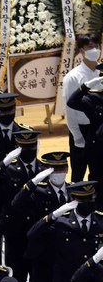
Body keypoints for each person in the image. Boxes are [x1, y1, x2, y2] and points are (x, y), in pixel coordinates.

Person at [62, 34, 102, 180]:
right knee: (79, 170)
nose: (95, 50)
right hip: (81, 128)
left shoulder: (101, 72)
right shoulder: (73, 77)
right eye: (90, 47)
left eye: (97, 46)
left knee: (97, 170)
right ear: (81, 50)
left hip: (98, 129)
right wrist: (77, 136)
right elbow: (70, 109)